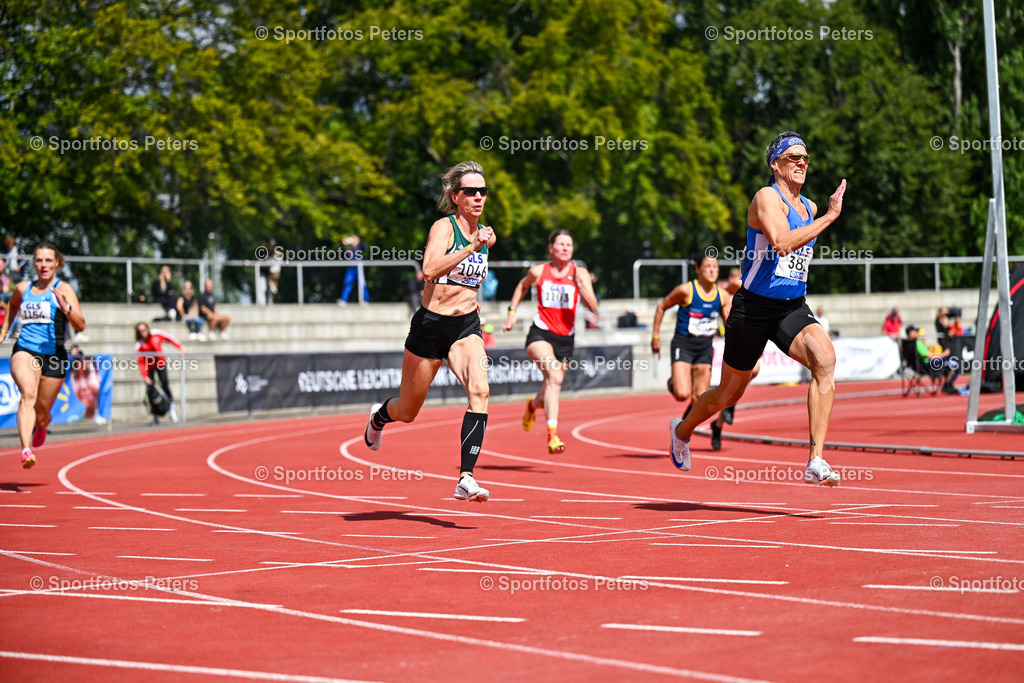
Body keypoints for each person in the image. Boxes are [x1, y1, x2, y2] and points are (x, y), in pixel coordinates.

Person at [669, 131, 847, 486]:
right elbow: (780, 243)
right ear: (775, 164)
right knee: (727, 395)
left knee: (825, 360)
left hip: (791, 307)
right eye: (794, 156)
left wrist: (822, 215)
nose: (802, 162)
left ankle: (815, 460)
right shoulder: (767, 197)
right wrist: (830, 217)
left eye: (805, 158)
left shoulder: (810, 207)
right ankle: (682, 430)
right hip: (752, 309)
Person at [363, 160, 496, 502]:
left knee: (480, 390)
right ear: (456, 197)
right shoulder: (444, 228)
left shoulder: (487, 234)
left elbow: (468, 280)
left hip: (465, 326)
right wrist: (471, 247)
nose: (478, 197)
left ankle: (466, 477)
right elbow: (430, 270)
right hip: (430, 327)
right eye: (471, 191)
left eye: (483, 191)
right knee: (407, 411)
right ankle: (379, 417)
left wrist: (471, 298)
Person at [504, 229, 598, 454]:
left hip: (566, 339)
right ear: (551, 248)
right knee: (555, 377)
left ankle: (532, 405)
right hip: (541, 334)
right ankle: (552, 436)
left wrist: (581, 286)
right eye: (561, 244)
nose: (565, 248)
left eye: (569, 245)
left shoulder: (580, 273)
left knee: (551, 387)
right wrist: (512, 312)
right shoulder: (538, 271)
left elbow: (593, 307)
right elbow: (521, 286)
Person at [651, 254, 751, 451]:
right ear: (698, 270)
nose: (712, 270)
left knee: (699, 399)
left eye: (715, 267)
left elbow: (728, 321)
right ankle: (674, 383)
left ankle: (681, 432)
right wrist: (655, 336)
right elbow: (662, 306)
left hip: (705, 347)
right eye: (707, 266)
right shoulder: (686, 290)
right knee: (682, 394)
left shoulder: (721, 295)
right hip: (684, 344)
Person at [0, 242, 86, 468]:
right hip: (25, 349)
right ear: (34, 263)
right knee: (28, 394)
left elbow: (81, 325)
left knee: (42, 413)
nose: (43, 265)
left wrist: (67, 309)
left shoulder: (64, 289)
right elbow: (12, 305)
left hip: (54, 356)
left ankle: (41, 426)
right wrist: (4, 331)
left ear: (57, 263)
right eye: (39, 260)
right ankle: (25, 450)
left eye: (48, 260)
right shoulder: (23, 289)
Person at [135, 322, 185, 423]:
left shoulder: (156, 334)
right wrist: (145, 376)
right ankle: (155, 414)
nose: (142, 333)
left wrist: (180, 347)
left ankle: (172, 409)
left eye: (144, 330)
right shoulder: (139, 344)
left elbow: (169, 338)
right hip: (149, 367)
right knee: (151, 390)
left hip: (160, 364)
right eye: (140, 331)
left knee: (165, 385)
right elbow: (141, 361)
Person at [907, 325, 962, 395]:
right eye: (915, 331)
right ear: (910, 333)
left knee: (949, 362)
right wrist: (944, 354)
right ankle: (947, 385)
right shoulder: (917, 343)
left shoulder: (908, 344)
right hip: (927, 365)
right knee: (954, 364)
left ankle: (948, 385)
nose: (917, 333)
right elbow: (930, 356)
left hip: (919, 365)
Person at [68, 344, 106, 425]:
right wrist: (71, 355)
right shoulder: (71, 418)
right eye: (76, 377)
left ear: (97, 375)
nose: (83, 386)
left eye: (87, 374)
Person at [337, 234, 369, 304]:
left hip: (358, 268)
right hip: (351, 268)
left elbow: (366, 247)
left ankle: (366, 300)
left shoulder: (360, 247)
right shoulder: (349, 249)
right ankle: (343, 300)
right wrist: (342, 242)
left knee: (361, 284)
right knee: (347, 283)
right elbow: (340, 249)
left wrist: (359, 241)